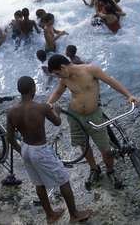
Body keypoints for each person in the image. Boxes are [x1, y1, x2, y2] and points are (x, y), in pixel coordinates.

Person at [6, 76, 93, 224]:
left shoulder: (12, 111)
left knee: (39, 183)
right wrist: (57, 112)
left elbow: (9, 138)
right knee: (63, 179)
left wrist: (22, 151)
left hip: (26, 149)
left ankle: (50, 215)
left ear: (19, 91)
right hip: (40, 150)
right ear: (33, 89)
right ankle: (74, 214)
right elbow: (57, 122)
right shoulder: (41, 107)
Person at [47, 55, 140, 189]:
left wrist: (129, 95)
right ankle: (94, 169)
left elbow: (110, 81)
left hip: (94, 115)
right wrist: (49, 103)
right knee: (84, 145)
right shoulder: (64, 79)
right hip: (75, 115)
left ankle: (110, 171)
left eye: (57, 73)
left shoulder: (90, 70)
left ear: (63, 67)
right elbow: (58, 92)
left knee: (105, 148)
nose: (57, 77)